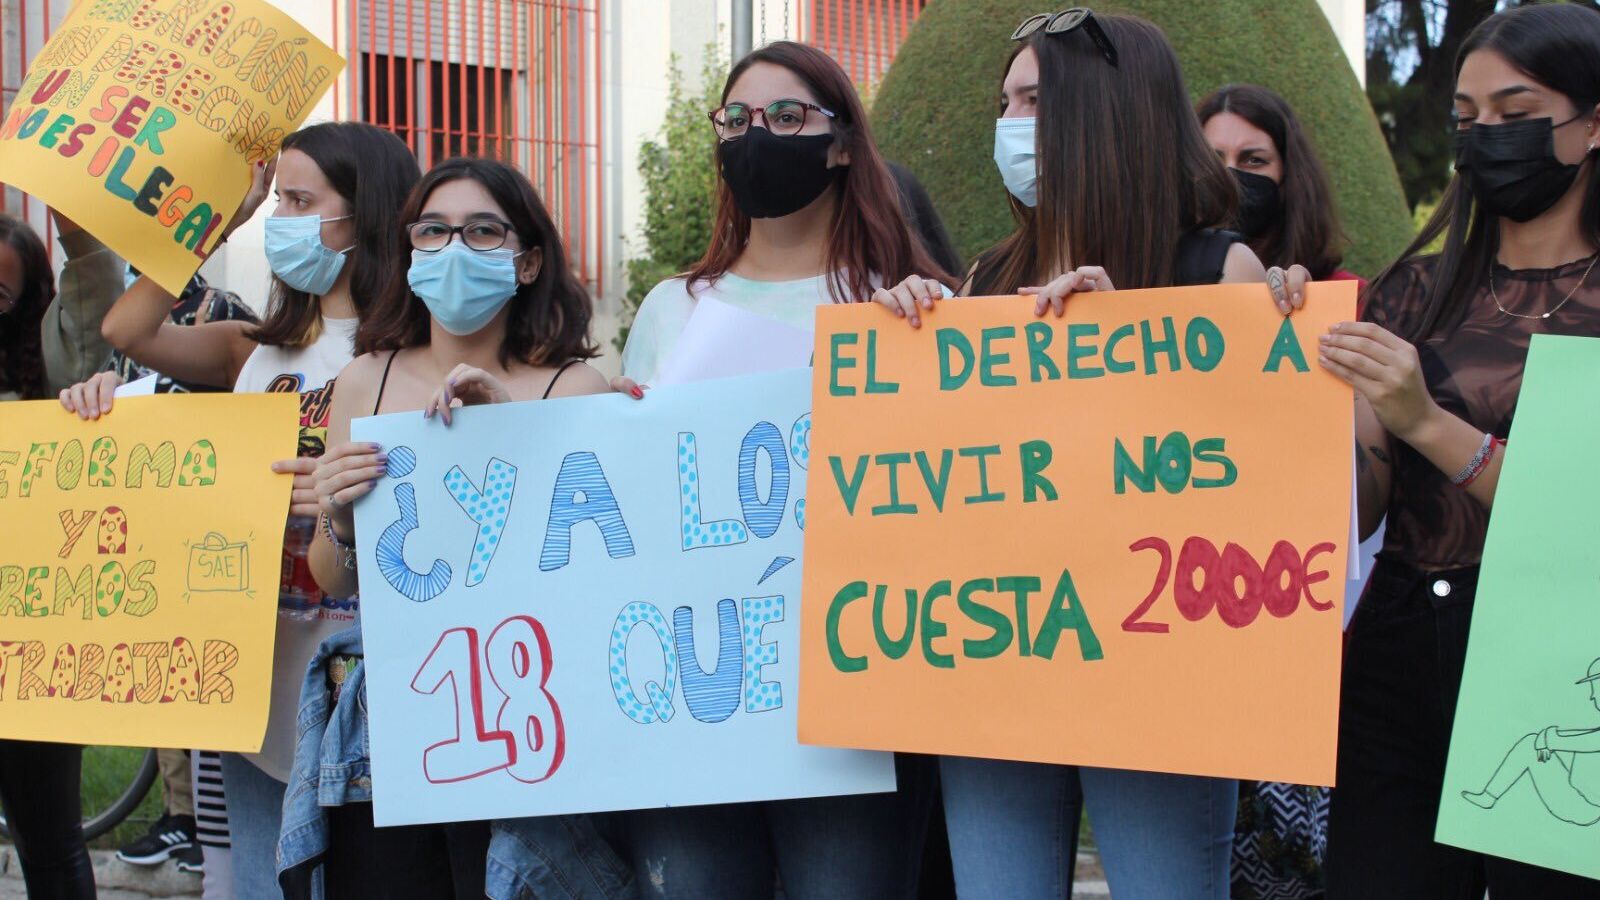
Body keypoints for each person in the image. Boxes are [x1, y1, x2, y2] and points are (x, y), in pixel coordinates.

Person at [873, 9, 1300, 898]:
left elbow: (1257, 496)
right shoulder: (983, 282)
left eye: (1031, 99)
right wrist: (903, 346)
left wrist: (1132, 351)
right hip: (998, 664)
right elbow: (932, 489)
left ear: (1105, 111)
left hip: (1162, 675)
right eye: (1004, 102)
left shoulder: (1218, 274)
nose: (1007, 122)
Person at [611, 40, 953, 900]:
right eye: (737, 118)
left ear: (841, 143)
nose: (758, 134)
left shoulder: (904, 310)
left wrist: (930, 345)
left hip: (852, 711)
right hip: (694, 702)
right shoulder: (669, 309)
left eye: (788, 117)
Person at [60, 121, 421, 899]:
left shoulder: (419, 349)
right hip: (250, 677)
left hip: (372, 678)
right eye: (276, 199)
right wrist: (219, 221)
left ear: (365, 212)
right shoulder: (254, 348)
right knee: (261, 884)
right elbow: (126, 330)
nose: (281, 216)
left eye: (299, 199)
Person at [1321, 5, 1600, 897]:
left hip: (1563, 654)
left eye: (1517, 115)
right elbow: (1359, 505)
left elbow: (1577, 519)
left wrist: (1425, 420)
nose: (1488, 139)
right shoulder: (1414, 286)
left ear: (1593, 123)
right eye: (1469, 120)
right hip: (1402, 635)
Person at [299, 156, 619, 899]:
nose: (454, 249)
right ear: (410, 253)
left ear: (528, 259)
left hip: (532, 720)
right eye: (434, 232)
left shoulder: (574, 386)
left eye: (482, 231)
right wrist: (340, 513)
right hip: (398, 726)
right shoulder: (364, 380)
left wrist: (512, 443)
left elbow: (590, 567)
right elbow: (334, 575)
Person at [0, 213, 95, 898]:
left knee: (49, 837)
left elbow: (95, 293)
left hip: (37, 640)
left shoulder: (52, 365)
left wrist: (77, 215)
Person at [1199, 83, 1364, 287]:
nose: (1229, 177)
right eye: (1212, 161)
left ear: (1289, 174)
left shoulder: (1352, 301)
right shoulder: (1160, 287)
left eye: (1253, 160)